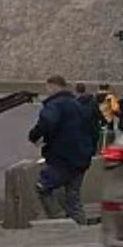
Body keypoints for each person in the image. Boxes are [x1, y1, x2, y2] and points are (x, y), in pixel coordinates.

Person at [29, 75, 93, 225]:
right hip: (81, 159)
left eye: (48, 87)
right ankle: (80, 230)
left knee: (42, 187)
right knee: (73, 197)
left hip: (63, 159)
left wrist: (35, 136)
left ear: (53, 86)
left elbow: (47, 122)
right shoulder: (77, 104)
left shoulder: (55, 105)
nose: (47, 91)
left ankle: (58, 223)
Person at [74, 83, 101, 155]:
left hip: (80, 130)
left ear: (76, 91)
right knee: (92, 149)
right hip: (93, 129)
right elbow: (98, 114)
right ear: (85, 89)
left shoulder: (74, 102)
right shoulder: (93, 101)